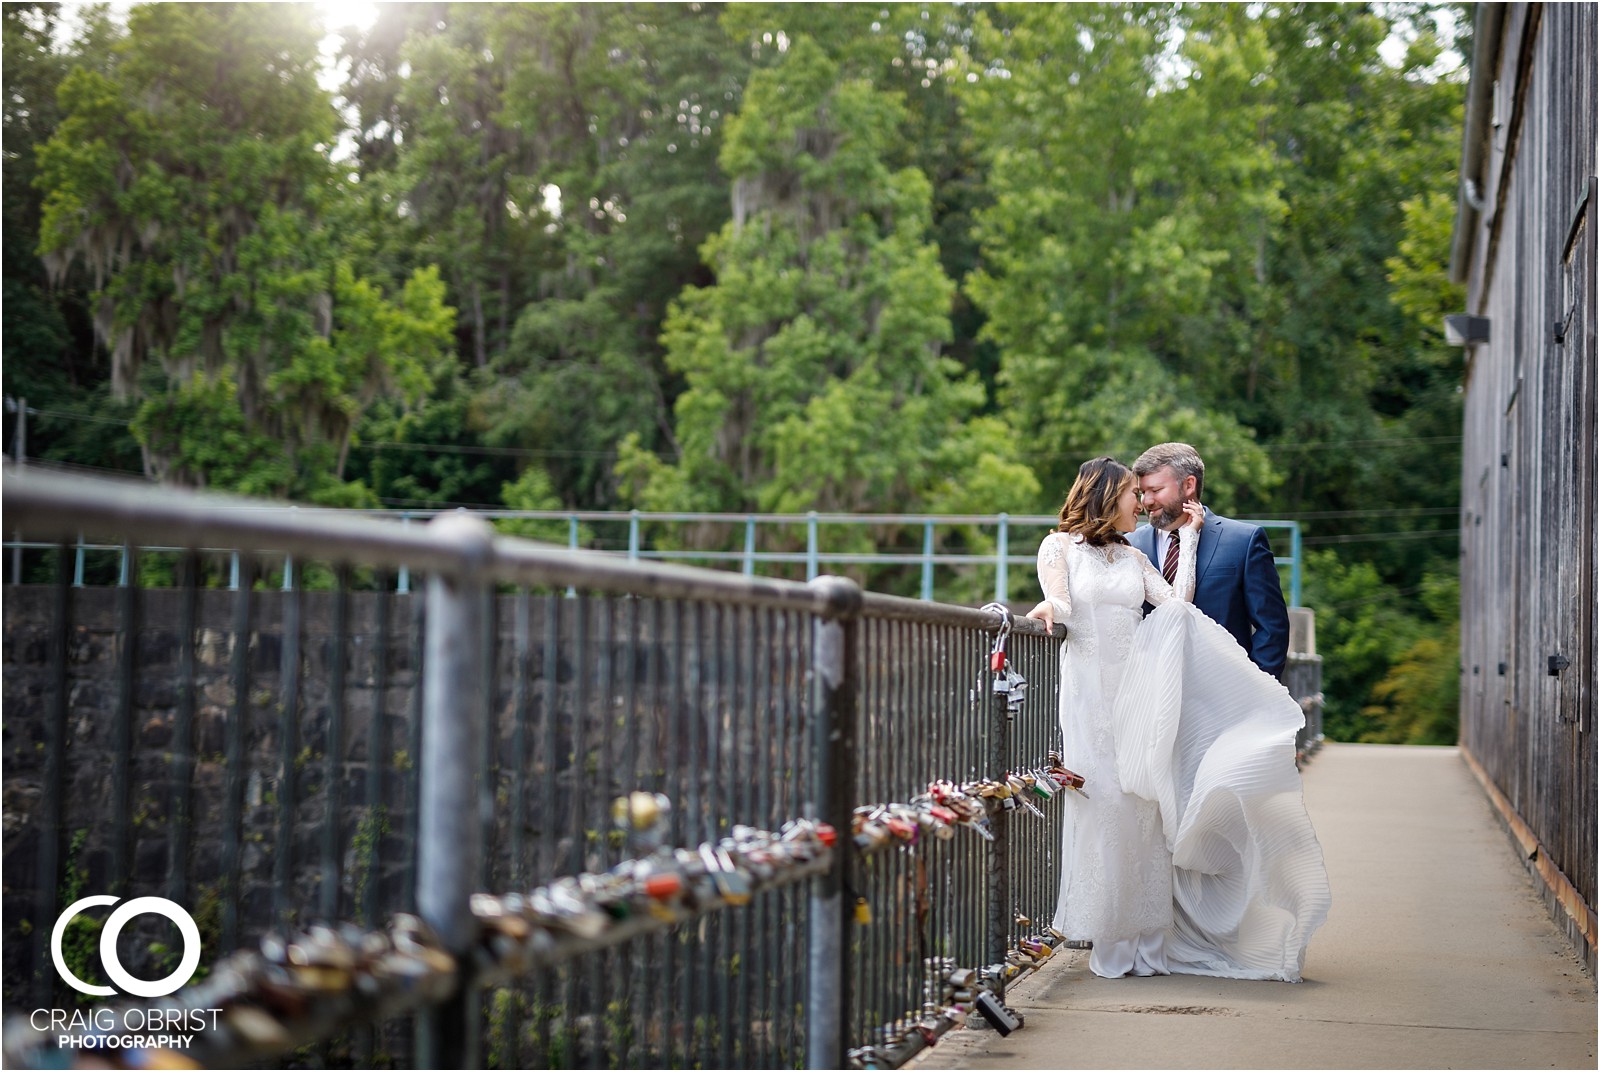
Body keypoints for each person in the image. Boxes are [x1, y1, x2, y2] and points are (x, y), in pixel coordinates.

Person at [1026, 456, 1329, 982]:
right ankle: (1109, 937)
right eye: (1131, 494)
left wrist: (1188, 542)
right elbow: (1062, 601)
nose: (1139, 503)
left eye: (1145, 492)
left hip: (1141, 691)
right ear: (1105, 496)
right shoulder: (1057, 547)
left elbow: (1175, 606)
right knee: (1104, 808)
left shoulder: (1131, 555)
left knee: (1145, 812)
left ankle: (1148, 941)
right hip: (1091, 695)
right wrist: (1047, 607)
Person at [1126, 442, 1291, 679]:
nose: (1146, 501)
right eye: (1143, 492)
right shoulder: (1130, 544)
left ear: (1189, 485)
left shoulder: (1243, 541)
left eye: (1156, 490)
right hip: (1150, 693)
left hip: (1225, 696)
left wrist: (1255, 689)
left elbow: (1272, 627)